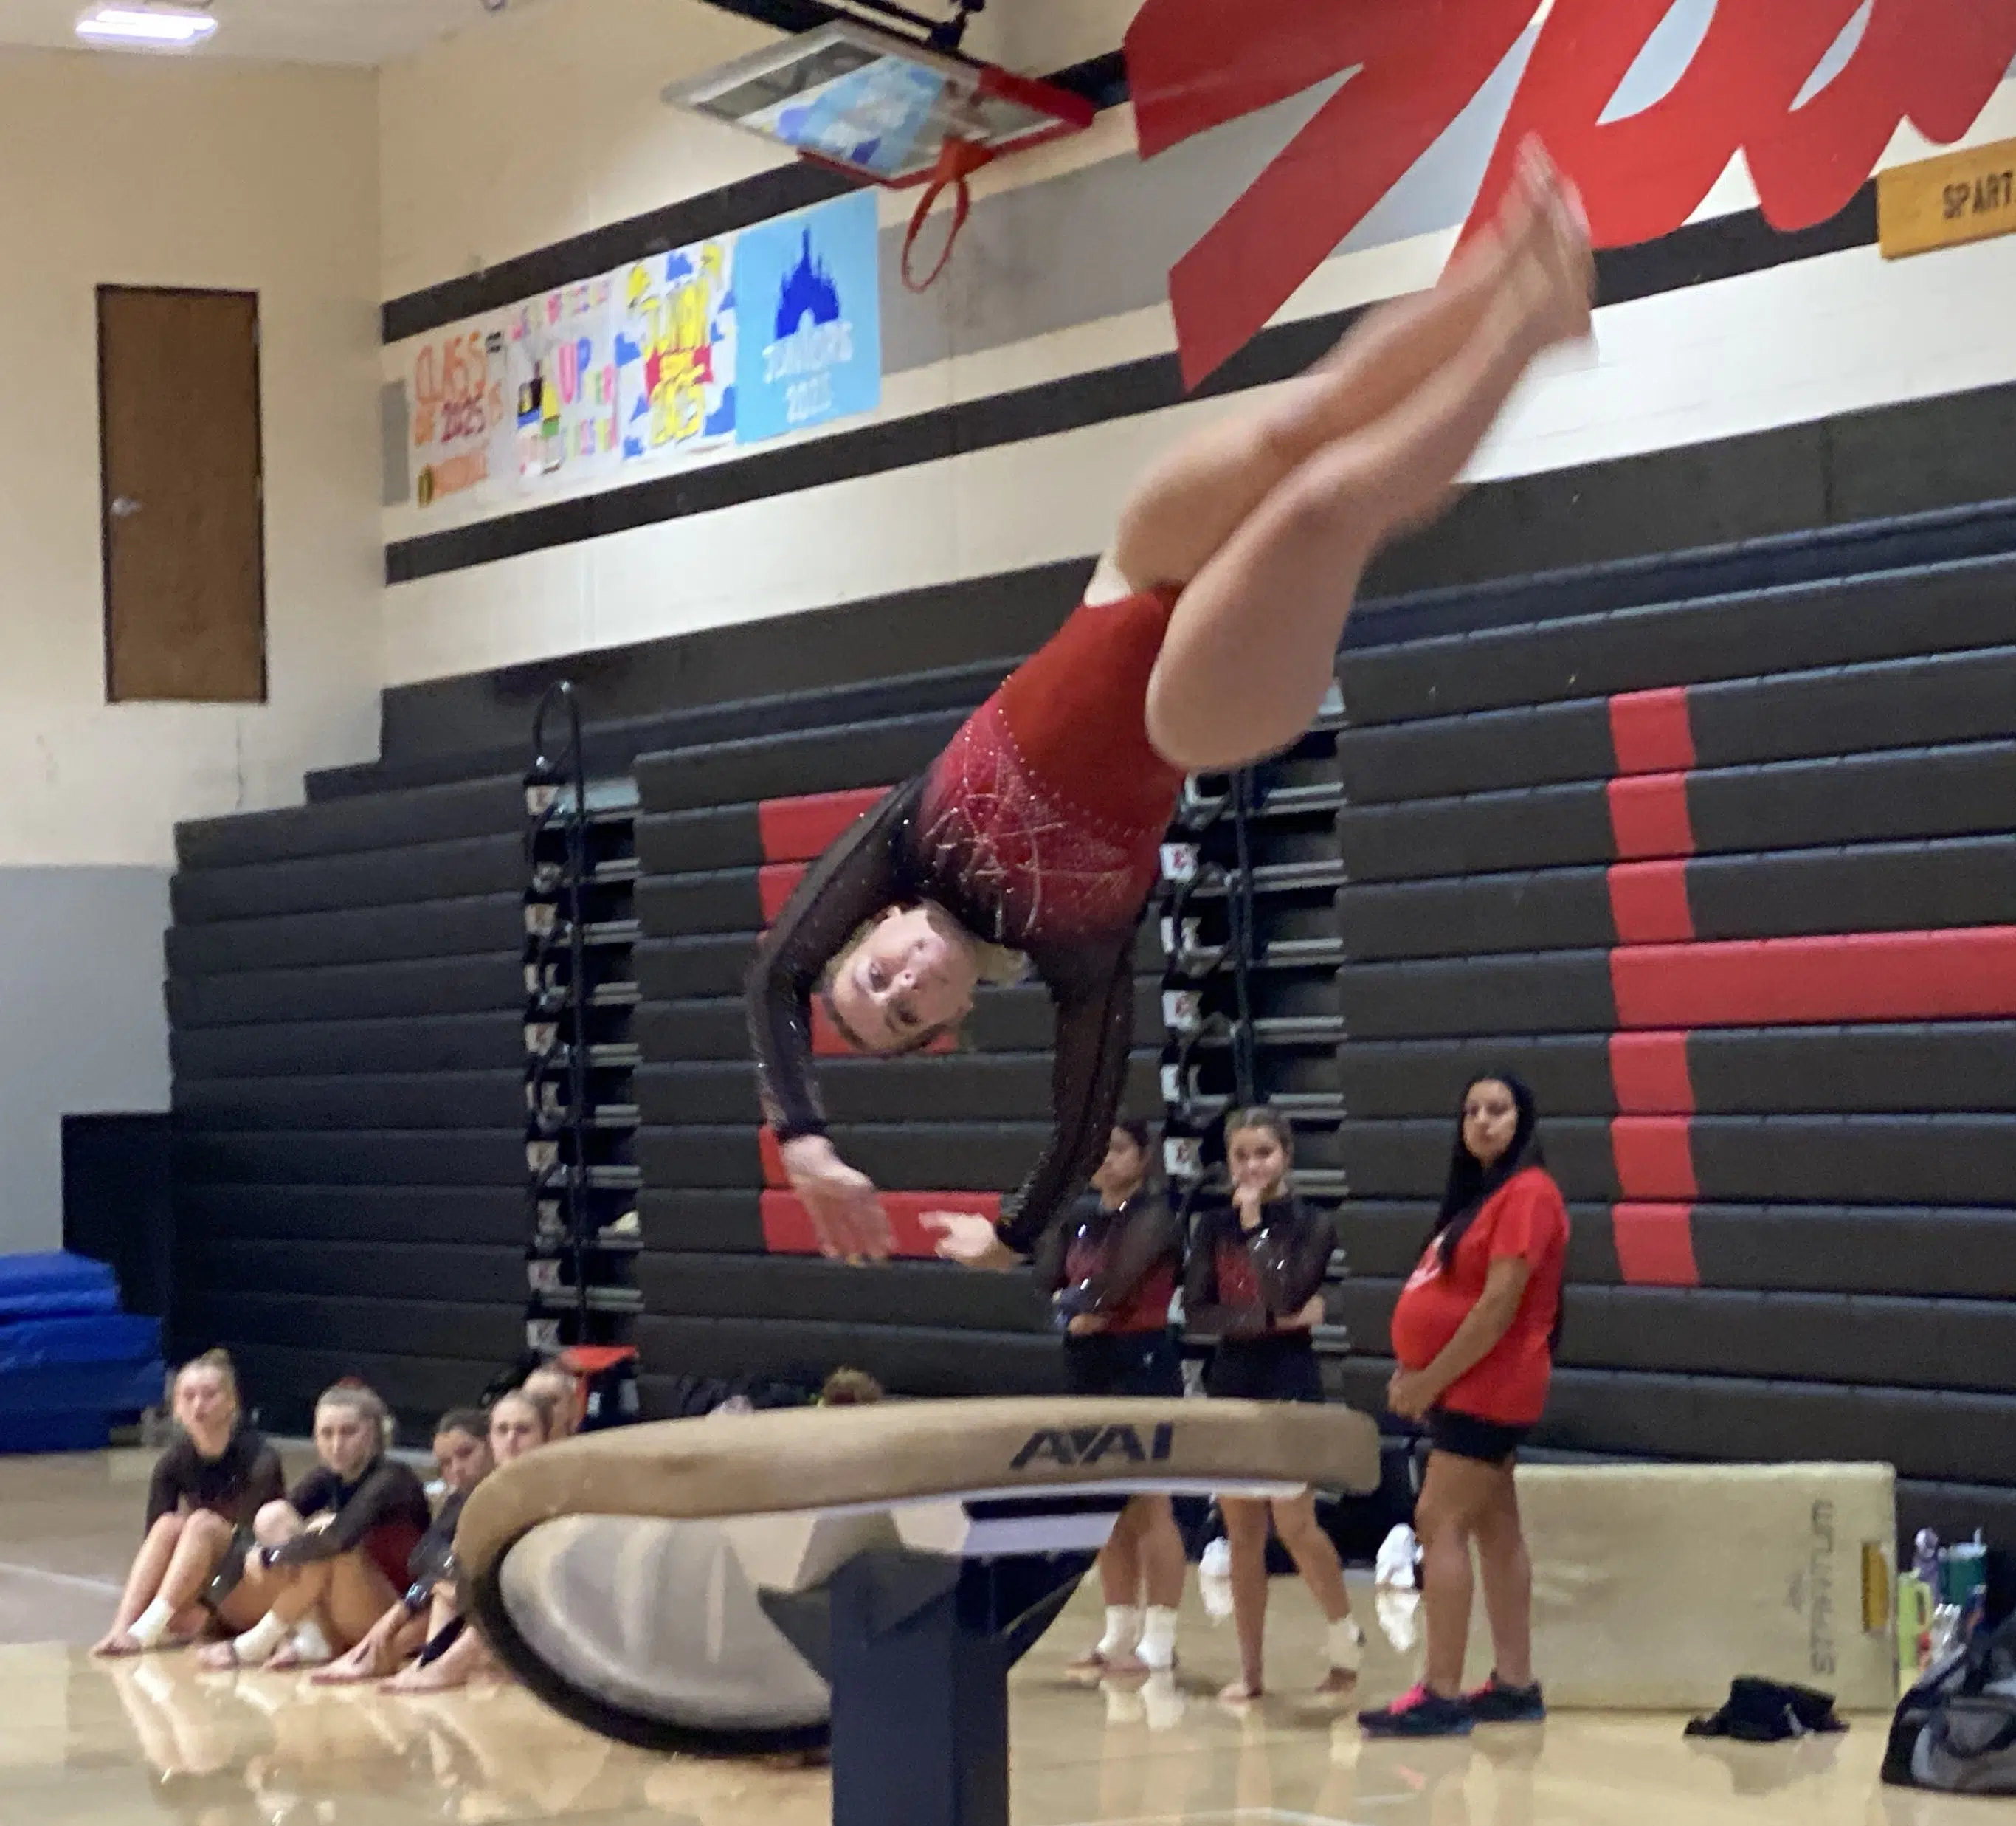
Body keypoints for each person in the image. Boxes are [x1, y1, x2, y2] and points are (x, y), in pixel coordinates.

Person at [745, 142, 1595, 1270]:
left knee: (1312, 417)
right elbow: (1086, 1126)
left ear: (876, 926)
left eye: (874, 972)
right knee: (1319, 504)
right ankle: (1529, 333)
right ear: (948, 1023)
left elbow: (773, 972)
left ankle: (1502, 267)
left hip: (1123, 584)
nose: (901, 979)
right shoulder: (1073, 951)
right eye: (907, 1011)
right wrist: (1013, 1237)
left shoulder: (904, 843)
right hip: (1191, 711)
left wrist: (802, 1134)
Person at [1359, 1070, 1568, 1738]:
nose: (1482, 1121)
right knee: (1495, 1527)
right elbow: (1445, 1297)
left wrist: (1428, 1381)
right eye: (1471, 1110)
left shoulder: (1530, 1195)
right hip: (1467, 1382)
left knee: (1437, 1517)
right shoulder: (1484, 1197)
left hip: (1492, 1383)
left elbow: (1497, 1308)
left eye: (1498, 1110)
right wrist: (1417, 1369)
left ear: (1523, 1120)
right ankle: (1514, 1684)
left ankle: (1441, 1693)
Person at [1186, 1107, 1361, 1704]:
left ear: (1286, 1153)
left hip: (1290, 1379)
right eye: (1241, 1156)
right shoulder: (1211, 1227)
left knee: (1295, 1523)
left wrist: (1257, 1223)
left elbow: (1291, 1288)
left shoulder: (1314, 1223)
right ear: (1228, 1161)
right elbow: (1200, 1310)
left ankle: (1344, 1644)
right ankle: (1252, 1670)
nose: (1253, 1165)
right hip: (1232, 1379)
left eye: (1264, 1153)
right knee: (1241, 1531)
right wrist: (1267, 1319)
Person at [1033, 1119, 1190, 1680]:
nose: (1106, 1159)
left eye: (1119, 1148)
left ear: (1144, 1157)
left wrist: (1082, 1306)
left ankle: (1161, 1639)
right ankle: (1119, 1628)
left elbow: (1115, 1285)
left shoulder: (1157, 1217)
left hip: (1140, 1361)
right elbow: (1049, 1280)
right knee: (1105, 1507)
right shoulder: (1081, 1219)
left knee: (1150, 1502)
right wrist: (1073, 1308)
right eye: (1096, 1149)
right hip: (1087, 1365)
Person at [197, 1382, 431, 1671]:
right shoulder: (327, 1477)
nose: (336, 1445)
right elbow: (258, 1531)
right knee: (273, 1516)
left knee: (321, 1532)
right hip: (342, 1603)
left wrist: (273, 1556)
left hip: (392, 1612)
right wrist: (228, 1584)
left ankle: (258, 1642)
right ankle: (310, 1635)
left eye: (348, 1432)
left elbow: (338, 1539)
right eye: (327, 1433)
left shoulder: (394, 1479)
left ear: (372, 1432)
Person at [94, 1349, 286, 1656]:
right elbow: (154, 1544)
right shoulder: (171, 1464)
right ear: (177, 1409)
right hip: (205, 1592)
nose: (199, 1405)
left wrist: (205, 1609)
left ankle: (146, 1631)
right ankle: (122, 1629)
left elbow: (248, 1544)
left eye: (210, 1395)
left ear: (232, 1402)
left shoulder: (260, 1459)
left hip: (254, 1587)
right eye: (189, 1396)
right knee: (169, 1525)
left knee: (202, 1523)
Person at [384, 1390, 553, 1694]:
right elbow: (422, 1555)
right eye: (503, 1430)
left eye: (523, 1430)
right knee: (448, 1578)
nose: (511, 1439)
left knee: (497, 1581)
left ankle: (446, 1666)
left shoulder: (555, 1484)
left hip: (552, 1612)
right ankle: (431, 1661)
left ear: (546, 1435)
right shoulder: (486, 1493)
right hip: (493, 1609)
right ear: (492, 1439)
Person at [311, 1408, 494, 1686]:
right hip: (424, 1600)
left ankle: (398, 1657)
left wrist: (403, 1610)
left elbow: (343, 1538)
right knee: (443, 1580)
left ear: (490, 1445)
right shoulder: (461, 1497)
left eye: (466, 1453)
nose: (456, 1469)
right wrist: (405, 1608)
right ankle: (389, 1654)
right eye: (445, 1462)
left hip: (491, 1605)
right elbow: (423, 1554)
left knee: (448, 1584)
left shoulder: (394, 1478)